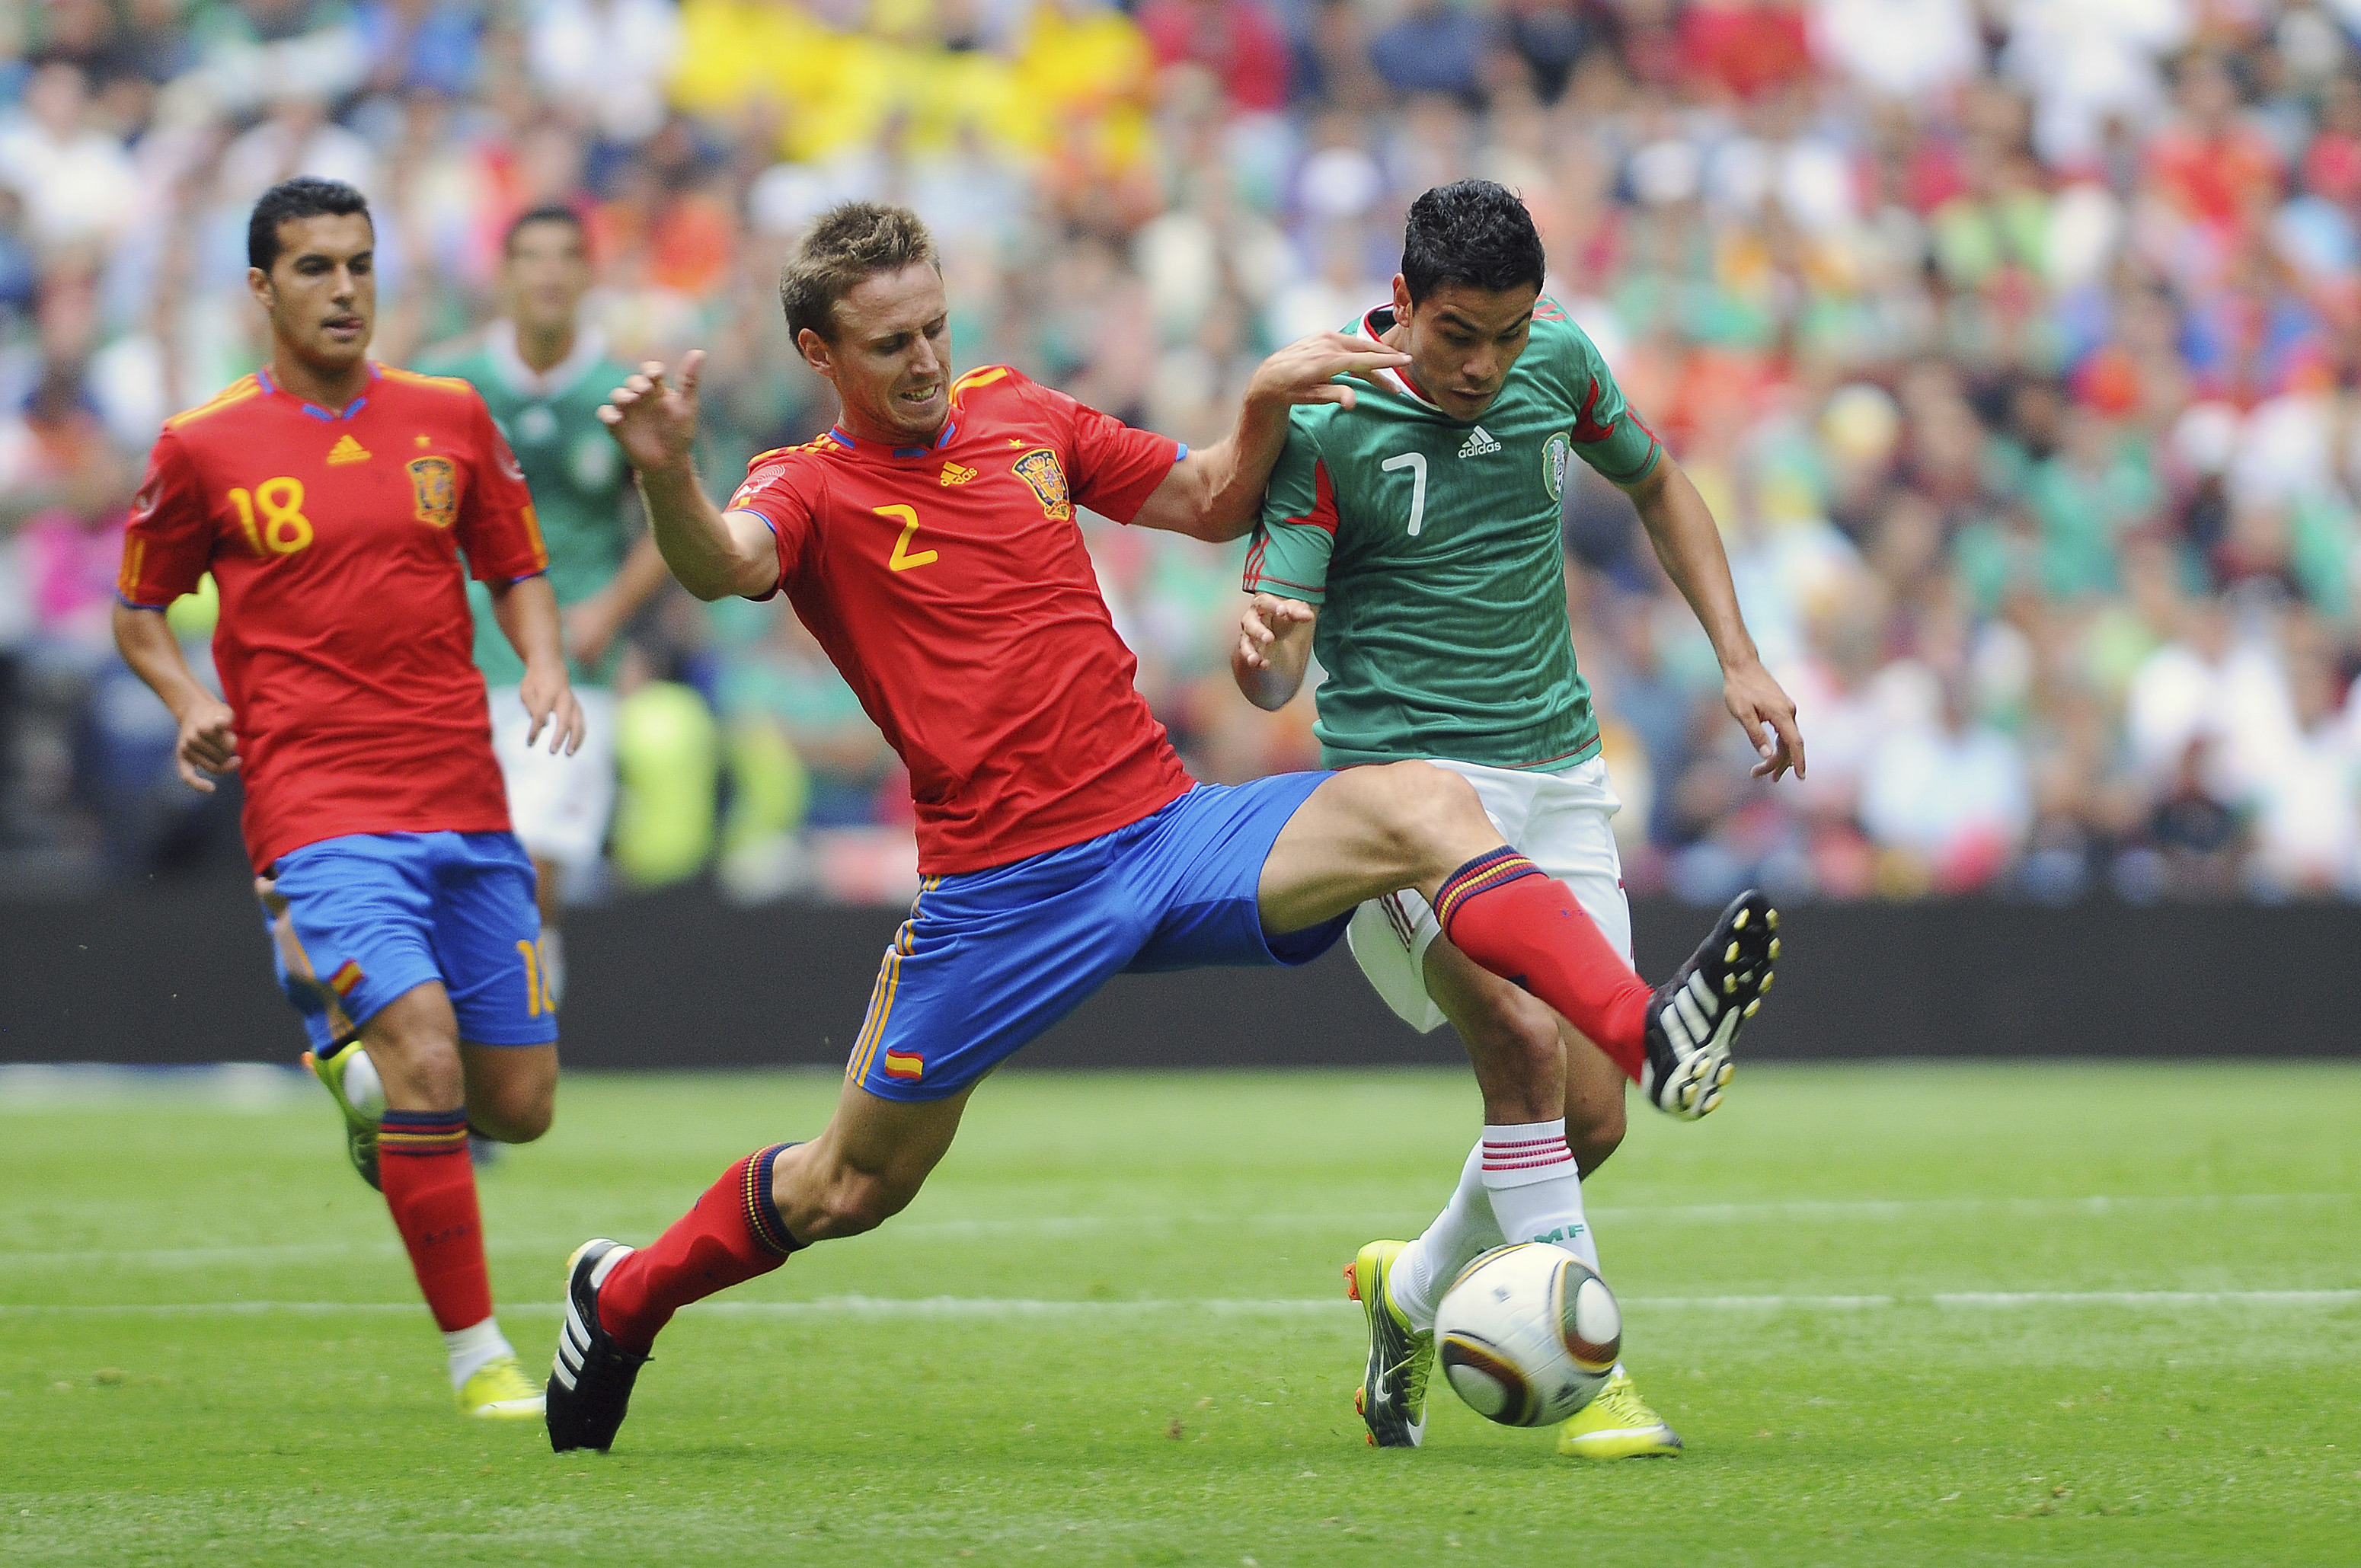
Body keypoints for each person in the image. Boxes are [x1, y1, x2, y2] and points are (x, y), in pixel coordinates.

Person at [543, 201, 1778, 1454]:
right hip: (1004, 895)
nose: (922, 360)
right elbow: (723, 561)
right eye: (887, 345)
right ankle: (623, 1295)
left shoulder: (1021, 412)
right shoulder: (804, 486)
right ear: (821, 357)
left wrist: (1259, 401)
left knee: (1424, 803)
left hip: (1164, 830)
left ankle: (1644, 1027)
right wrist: (663, 471)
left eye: (933, 328)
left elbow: (1199, 496)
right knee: (848, 1186)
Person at [1233, 179, 1805, 1459]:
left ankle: (1415, 1289)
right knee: (1520, 1042)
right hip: (1403, 796)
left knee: (1594, 1113)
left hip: (1554, 773)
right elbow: (1269, 670)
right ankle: (1595, 1372)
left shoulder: (1561, 361)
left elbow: (1659, 485)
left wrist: (1740, 655)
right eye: (1457, 336)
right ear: (1404, 297)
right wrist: (1265, 647)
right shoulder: (1330, 413)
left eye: (1508, 331)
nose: (1486, 364)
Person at [111, 176, 586, 1420]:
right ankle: (479, 1354)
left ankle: (349, 1070)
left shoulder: (452, 415)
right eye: (316, 267)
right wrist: (186, 702)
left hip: (468, 798)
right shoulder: (203, 442)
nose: (344, 289)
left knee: (520, 1106)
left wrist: (539, 656)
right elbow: (138, 609)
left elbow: (516, 563)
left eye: (360, 264)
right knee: (425, 1048)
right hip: (317, 804)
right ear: (262, 288)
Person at [418, 205, 669, 1007]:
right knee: (455, 872)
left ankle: (509, 1055)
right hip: (456, 658)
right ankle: (469, 1050)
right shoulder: (448, 384)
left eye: (567, 256)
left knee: (532, 872)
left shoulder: (623, 391)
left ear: (590, 274)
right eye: (531, 256)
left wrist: (610, 609)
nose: (549, 273)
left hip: (570, 665)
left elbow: (679, 518)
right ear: (504, 274)